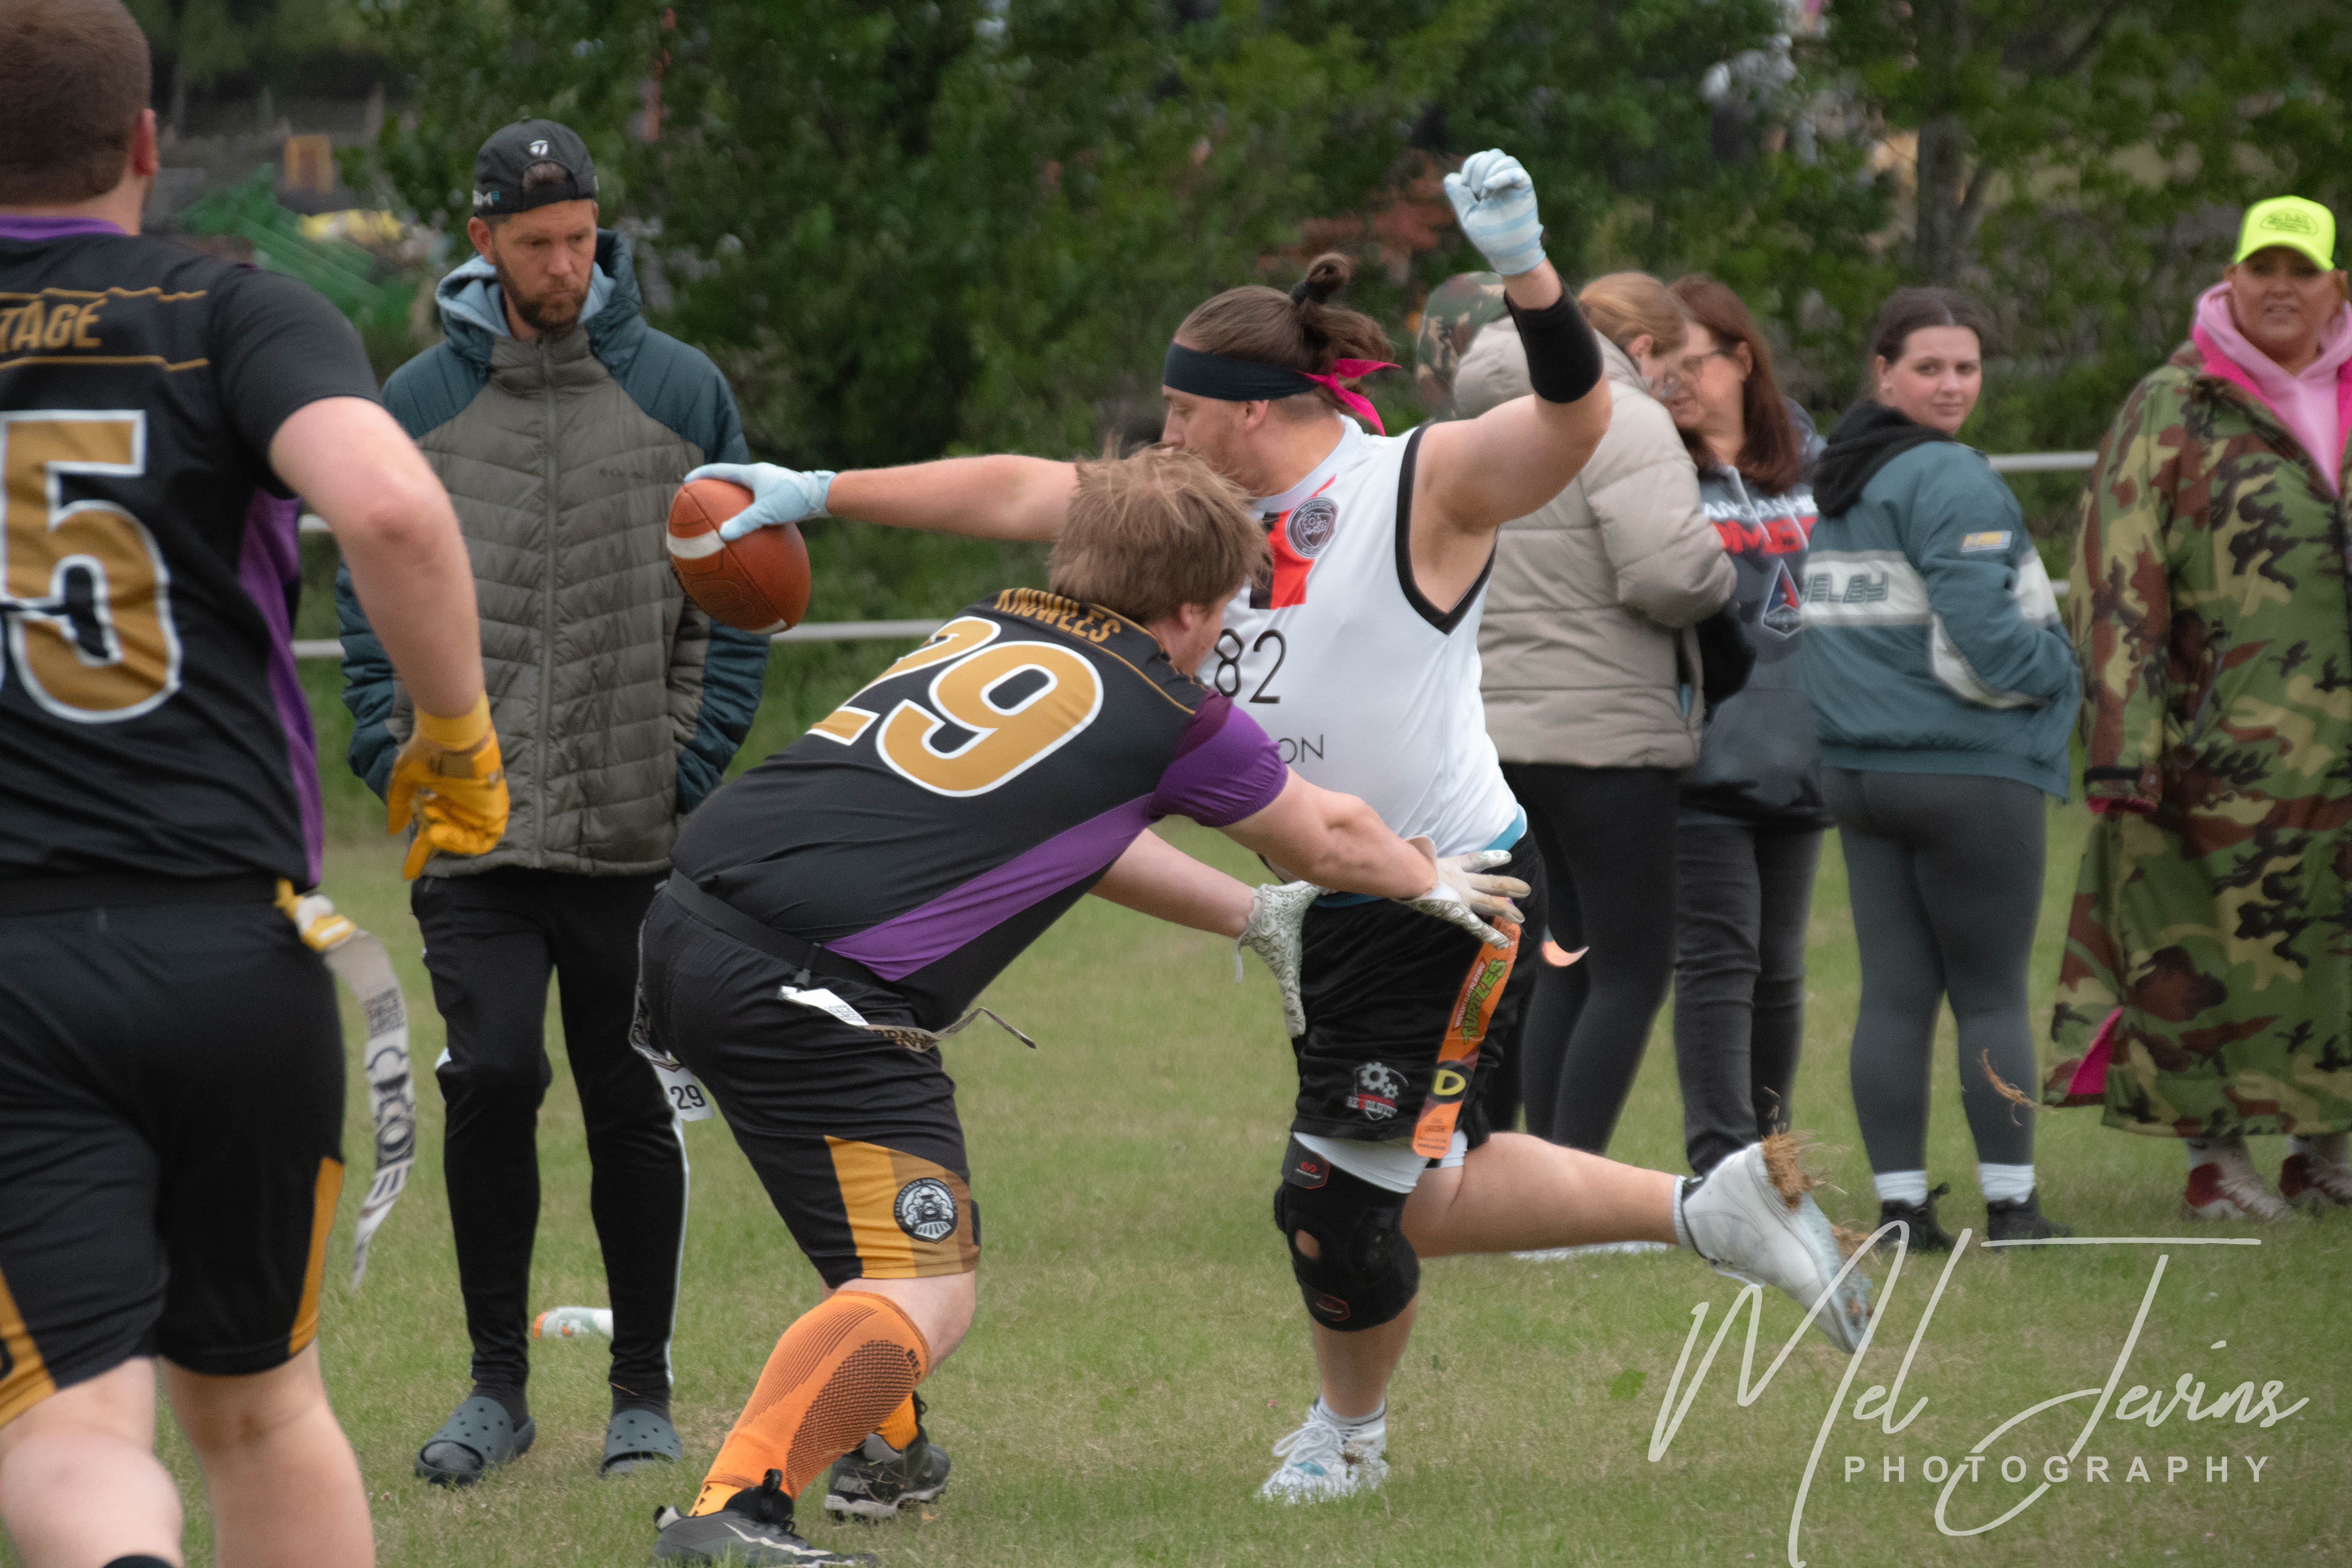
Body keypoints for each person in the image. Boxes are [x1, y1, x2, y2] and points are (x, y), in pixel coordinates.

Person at [695, 148, 1872, 1516]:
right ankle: (1711, 1211)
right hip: (1337, 887)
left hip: (1442, 885)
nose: (1159, 436)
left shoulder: (1417, 481)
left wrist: (1528, 270)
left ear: (1252, 413)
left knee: (1332, 1199)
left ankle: (1346, 1439)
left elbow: (1572, 418)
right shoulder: (1186, 515)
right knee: (1425, 1190)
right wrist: (818, 488)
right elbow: (1017, 490)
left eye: (1180, 411)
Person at [635, 445, 1531, 1565]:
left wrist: (1251, 913)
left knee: (872, 1250)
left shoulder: (994, 624)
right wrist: (1424, 872)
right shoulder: (1165, 708)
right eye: (1227, 609)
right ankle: (735, 1512)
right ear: (1193, 608)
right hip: (816, 991)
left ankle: (885, 1448)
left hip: (687, 928)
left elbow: (1079, 836)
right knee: (925, 1289)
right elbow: (1329, 834)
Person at [0, 3, 507, 1565]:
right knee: (265, 1409)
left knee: (74, 1426)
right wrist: (455, 736)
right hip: (242, 945)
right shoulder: (231, 306)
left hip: (17, 964)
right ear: (147, 142)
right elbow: (393, 512)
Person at [335, 119, 772, 1484]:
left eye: (581, 239)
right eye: (537, 244)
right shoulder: (415, 402)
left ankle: (642, 1394)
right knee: (494, 1078)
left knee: (630, 1099)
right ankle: (496, 1390)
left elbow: (738, 591)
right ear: (484, 243)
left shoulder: (682, 389)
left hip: (635, 831)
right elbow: (363, 594)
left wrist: (685, 761)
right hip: (471, 835)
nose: (565, 265)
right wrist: (390, 751)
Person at [2047, 196, 2352, 1217]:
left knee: (2334, 950)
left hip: (2344, 757)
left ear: (2336, 288)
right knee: (2197, 949)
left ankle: (2323, 1152)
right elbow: (2117, 576)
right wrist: (2126, 744)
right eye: (2262, 268)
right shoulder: (2174, 404)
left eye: (2302, 271)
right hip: (2215, 749)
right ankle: (2215, 1162)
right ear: (2230, 280)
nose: (2280, 287)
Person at [1800, 287, 2078, 1248]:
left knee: (1893, 994)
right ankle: (2013, 1207)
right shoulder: (1951, 475)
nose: (1953, 384)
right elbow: (1990, 640)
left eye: (1967, 366)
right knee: (1991, 992)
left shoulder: (1843, 476)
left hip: (1860, 775)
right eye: (1930, 367)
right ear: (1884, 373)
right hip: (1966, 772)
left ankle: (1902, 1212)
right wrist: (2065, 668)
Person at [1453, 271, 1734, 1152]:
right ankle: (1569, 1181)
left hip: (1497, 729)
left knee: (1560, 957)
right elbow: (1670, 574)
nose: (1673, 386)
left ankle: (1530, 1169)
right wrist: (1727, 577)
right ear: (1640, 348)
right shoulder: (1623, 416)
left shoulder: (1477, 416)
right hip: (1606, 733)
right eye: (1673, 365)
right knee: (1629, 970)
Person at [1661, 273, 1831, 1176]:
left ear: (1741, 359)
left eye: (1694, 362)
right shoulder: (1653, 464)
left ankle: (1773, 1157)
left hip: (1801, 747)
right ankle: (1723, 1168)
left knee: (1780, 968)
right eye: (1661, 366)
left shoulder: (1808, 455)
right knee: (1719, 962)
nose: (1676, 382)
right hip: (1701, 755)